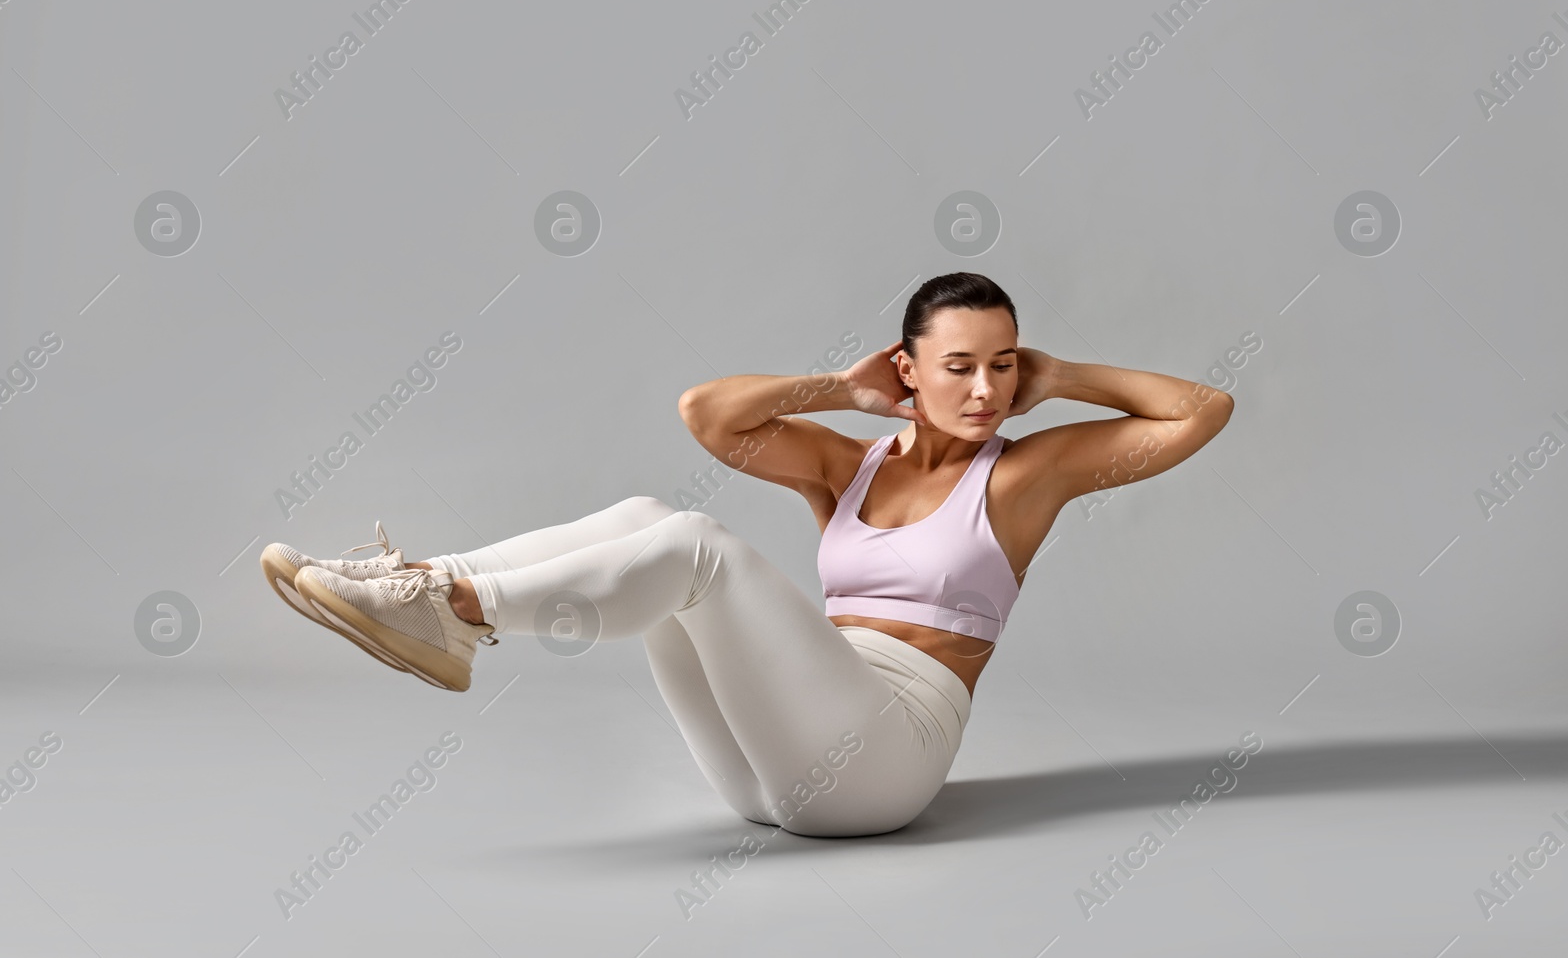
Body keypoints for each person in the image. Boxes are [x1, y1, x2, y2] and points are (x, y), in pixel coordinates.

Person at [259, 272, 1233, 836]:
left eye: (1003, 362)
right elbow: (706, 414)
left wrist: (1062, 376)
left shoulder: (1022, 476)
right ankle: (424, 586)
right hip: (775, 768)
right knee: (649, 510)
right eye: (959, 364)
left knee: (693, 547)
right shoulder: (847, 465)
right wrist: (836, 389)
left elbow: (1201, 411)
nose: (985, 388)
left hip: (889, 759)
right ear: (908, 368)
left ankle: (455, 608)